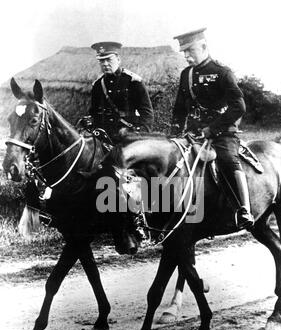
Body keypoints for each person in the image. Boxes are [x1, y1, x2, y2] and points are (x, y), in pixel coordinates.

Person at [171, 28, 254, 230]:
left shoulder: (222, 72)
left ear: (204, 46)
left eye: (190, 51)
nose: (187, 56)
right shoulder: (186, 75)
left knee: (227, 160)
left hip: (222, 133)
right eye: (184, 52)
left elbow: (239, 106)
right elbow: (180, 108)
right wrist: (174, 132)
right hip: (193, 134)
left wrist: (213, 129)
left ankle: (244, 209)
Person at [82, 41, 154, 143]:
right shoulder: (98, 85)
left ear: (118, 59)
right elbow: (94, 112)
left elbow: (147, 113)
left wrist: (140, 134)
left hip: (128, 137)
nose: (105, 64)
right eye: (102, 61)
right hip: (105, 137)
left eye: (109, 60)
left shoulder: (133, 81)